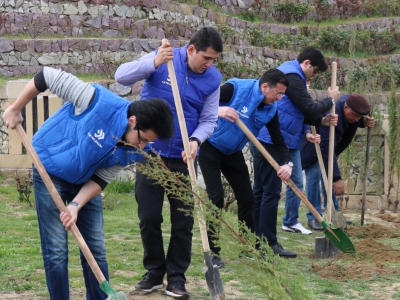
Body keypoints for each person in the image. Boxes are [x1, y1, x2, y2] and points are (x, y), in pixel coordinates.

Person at [2, 67, 174, 300]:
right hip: (49, 168)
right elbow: (47, 76)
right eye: (142, 139)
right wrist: (15, 108)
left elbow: (102, 178)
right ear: (133, 121)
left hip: (85, 181)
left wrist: (75, 205)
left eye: (148, 143)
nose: (142, 147)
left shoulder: (137, 150)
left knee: (95, 248)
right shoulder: (95, 100)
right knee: (56, 251)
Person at [115, 26, 223, 299]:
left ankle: (176, 278)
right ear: (191, 50)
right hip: (151, 156)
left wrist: (196, 140)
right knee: (149, 217)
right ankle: (154, 272)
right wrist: (153, 62)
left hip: (184, 159)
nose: (209, 65)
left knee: (183, 222)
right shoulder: (163, 59)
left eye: (214, 60)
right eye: (206, 58)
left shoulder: (213, 79)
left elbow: (210, 119)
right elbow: (121, 77)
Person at [198, 68, 297, 263]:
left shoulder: (270, 110)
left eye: (282, 95)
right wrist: (218, 110)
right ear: (264, 87)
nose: (279, 99)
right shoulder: (235, 89)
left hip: (233, 153)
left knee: (247, 198)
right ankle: (213, 253)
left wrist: (288, 163)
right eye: (278, 94)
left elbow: (278, 140)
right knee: (216, 198)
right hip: (210, 145)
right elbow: (197, 102)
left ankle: (248, 247)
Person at [252, 46, 340, 239]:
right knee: (269, 189)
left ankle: (285, 224)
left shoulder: (296, 77)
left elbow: (298, 112)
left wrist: (322, 121)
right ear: (307, 63)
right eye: (315, 71)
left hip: (288, 139)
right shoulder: (291, 76)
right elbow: (309, 108)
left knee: (289, 184)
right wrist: (330, 100)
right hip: (273, 138)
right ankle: (263, 234)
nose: (314, 75)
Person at [301, 93, 375, 230]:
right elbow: (326, 147)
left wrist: (363, 122)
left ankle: (335, 216)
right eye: (355, 115)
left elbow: (355, 118)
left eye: (359, 116)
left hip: (330, 150)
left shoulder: (350, 108)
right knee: (314, 178)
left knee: (328, 183)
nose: (356, 119)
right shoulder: (331, 114)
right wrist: (336, 178)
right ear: (345, 107)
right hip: (314, 148)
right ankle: (314, 217)